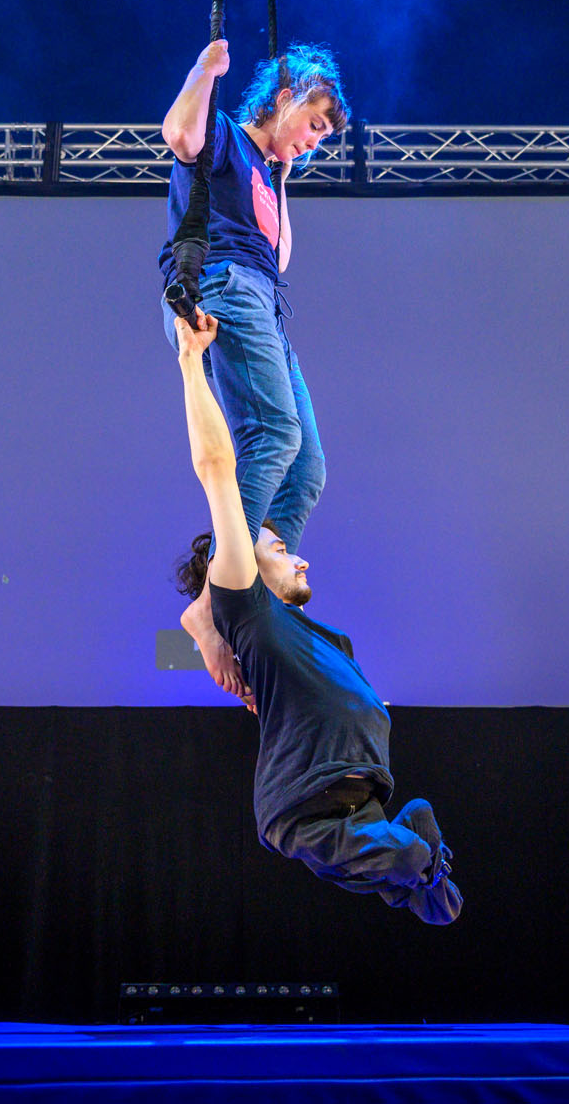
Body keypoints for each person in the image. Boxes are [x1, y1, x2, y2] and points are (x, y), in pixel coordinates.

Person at [171, 308, 460, 925]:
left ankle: (407, 870)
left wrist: (269, 343)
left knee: (303, 468)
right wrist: (190, 362)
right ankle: (410, 870)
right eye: (278, 547)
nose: (298, 555)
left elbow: (263, 483)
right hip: (312, 806)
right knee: (275, 446)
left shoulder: (294, 626)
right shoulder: (248, 609)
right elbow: (217, 469)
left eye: (279, 545)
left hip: (338, 799)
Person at [159, 39, 350, 702]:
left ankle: (253, 586)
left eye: (324, 137)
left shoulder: (270, 171)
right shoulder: (225, 139)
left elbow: (281, 253)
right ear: (285, 100)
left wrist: (286, 167)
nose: (314, 143)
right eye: (314, 125)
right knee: (274, 435)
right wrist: (204, 71)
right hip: (223, 283)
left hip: (263, 298)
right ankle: (213, 605)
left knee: (307, 468)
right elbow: (178, 132)